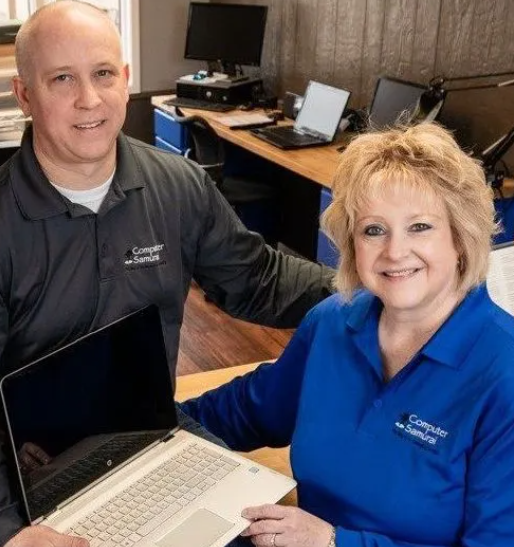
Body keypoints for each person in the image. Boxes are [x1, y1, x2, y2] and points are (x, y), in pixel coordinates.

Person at [0, 2, 335, 546]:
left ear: (126, 79)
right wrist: (6, 533)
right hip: (37, 483)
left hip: (157, 438)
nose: (88, 100)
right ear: (25, 95)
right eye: (62, 78)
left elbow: (259, 280)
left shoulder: (177, 187)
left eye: (103, 74)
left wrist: (367, 287)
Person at [182, 123, 514, 547]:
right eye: (373, 230)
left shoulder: (503, 376)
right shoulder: (333, 322)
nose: (394, 252)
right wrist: (148, 427)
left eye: (420, 227)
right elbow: (249, 410)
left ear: (461, 237)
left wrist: (335, 541)